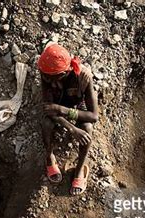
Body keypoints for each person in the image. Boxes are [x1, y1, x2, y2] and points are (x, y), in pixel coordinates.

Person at [38, 43, 99, 195]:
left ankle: (80, 169)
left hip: (76, 105)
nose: (45, 78)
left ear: (63, 73)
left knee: (87, 128)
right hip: (57, 105)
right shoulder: (46, 72)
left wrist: (64, 110)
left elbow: (93, 116)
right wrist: (72, 128)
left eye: (50, 77)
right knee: (46, 123)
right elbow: (49, 109)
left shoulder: (83, 77)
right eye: (44, 75)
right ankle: (50, 157)